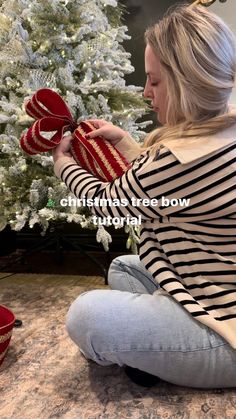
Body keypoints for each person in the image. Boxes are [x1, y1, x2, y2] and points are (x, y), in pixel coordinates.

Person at [52, 3, 236, 388]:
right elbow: (166, 188)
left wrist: (64, 165)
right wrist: (128, 145)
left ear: (187, 81)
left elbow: (108, 201)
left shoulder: (182, 159)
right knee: (124, 266)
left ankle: (160, 352)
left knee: (86, 316)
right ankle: (156, 348)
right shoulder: (219, 131)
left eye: (154, 81)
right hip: (207, 284)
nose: (145, 91)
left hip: (225, 336)